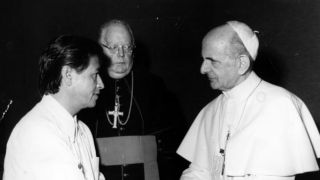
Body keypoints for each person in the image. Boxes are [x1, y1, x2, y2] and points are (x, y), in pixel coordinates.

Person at [177, 20, 320, 180]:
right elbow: (198, 171)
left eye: (213, 61)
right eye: (203, 60)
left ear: (242, 63)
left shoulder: (281, 105)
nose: (203, 69)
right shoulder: (210, 110)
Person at [79, 19, 184, 180]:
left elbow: (171, 149)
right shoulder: (86, 87)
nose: (121, 54)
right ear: (99, 49)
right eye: (113, 47)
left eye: (127, 47)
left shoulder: (153, 86)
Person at [2, 35, 106, 180]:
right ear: (68, 75)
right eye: (94, 75)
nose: (101, 84)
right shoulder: (38, 133)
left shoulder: (82, 131)